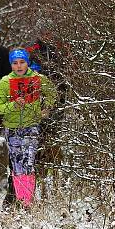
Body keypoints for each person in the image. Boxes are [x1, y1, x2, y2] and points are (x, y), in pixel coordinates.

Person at [0, 48, 56, 208]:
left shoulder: (38, 79)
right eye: (15, 63)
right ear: (11, 65)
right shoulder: (5, 81)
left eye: (22, 62)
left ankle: (27, 202)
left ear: (28, 62)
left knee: (29, 162)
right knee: (17, 163)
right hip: (12, 128)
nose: (19, 66)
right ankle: (22, 201)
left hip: (31, 125)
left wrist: (45, 109)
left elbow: (53, 94)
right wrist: (13, 105)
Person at [26, 34, 68, 176]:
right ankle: (39, 170)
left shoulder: (60, 51)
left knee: (49, 137)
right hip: (41, 102)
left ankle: (45, 170)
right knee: (42, 136)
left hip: (54, 101)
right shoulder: (33, 51)